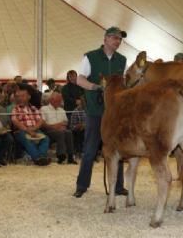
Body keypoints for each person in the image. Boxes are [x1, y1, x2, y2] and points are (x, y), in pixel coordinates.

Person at [73, 26, 128, 198]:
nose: (117, 41)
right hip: (95, 110)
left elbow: (124, 83)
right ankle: (81, 186)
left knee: (117, 149)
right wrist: (95, 87)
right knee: (90, 149)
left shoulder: (122, 60)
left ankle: (118, 186)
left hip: (115, 112)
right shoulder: (90, 57)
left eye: (119, 39)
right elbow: (79, 79)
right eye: (114, 38)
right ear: (105, 39)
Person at [11, 85, 50, 166]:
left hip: (35, 129)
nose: (20, 98)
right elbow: (15, 121)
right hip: (21, 131)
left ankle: (41, 157)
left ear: (29, 97)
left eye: (23, 96)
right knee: (27, 139)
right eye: (18, 96)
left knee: (45, 139)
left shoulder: (33, 108)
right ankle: (37, 158)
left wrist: (33, 129)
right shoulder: (15, 109)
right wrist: (28, 130)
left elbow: (40, 120)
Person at [40, 92, 77, 164]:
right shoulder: (44, 109)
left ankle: (70, 157)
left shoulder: (62, 110)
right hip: (48, 131)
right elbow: (43, 124)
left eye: (60, 101)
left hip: (60, 130)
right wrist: (55, 126)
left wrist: (61, 126)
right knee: (61, 133)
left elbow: (65, 122)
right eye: (58, 101)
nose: (60, 102)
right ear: (51, 100)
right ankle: (61, 156)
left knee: (68, 132)